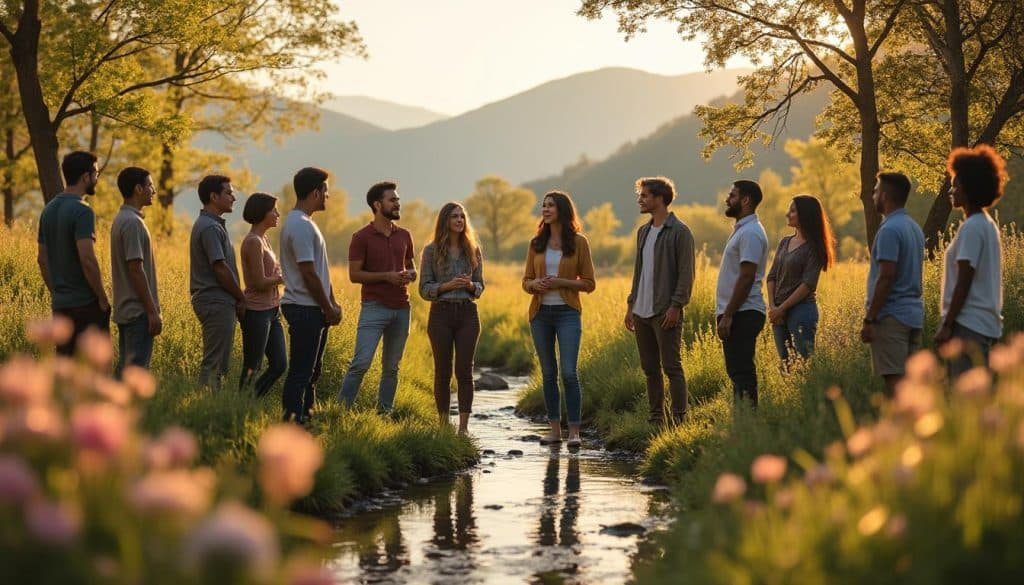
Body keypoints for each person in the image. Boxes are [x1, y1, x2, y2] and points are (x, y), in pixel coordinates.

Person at [522, 191, 596, 447]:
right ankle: (555, 430)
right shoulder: (536, 243)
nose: (545, 209)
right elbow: (525, 281)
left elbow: (589, 284)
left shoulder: (579, 242)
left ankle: (574, 432)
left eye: (550, 205)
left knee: (568, 372)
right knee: (548, 373)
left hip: (568, 313)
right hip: (540, 314)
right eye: (543, 205)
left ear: (562, 210)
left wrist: (560, 282)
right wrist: (536, 285)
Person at [338, 181, 416, 414]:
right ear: (377, 204)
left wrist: (410, 275)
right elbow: (354, 275)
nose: (397, 204)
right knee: (361, 363)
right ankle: (340, 412)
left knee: (392, 368)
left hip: (402, 308)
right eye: (392, 200)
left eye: (398, 200)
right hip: (374, 308)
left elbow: (412, 266)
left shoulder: (405, 235)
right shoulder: (361, 237)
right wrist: (387, 277)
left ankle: (384, 413)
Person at [624, 177, 695, 425]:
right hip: (641, 311)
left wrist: (676, 306)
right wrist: (631, 305)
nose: (640, 200)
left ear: (660, 199)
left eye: (644, 196)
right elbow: (638, 271)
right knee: (650, 369)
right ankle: (655, 418)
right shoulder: (643, 231)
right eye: (640, 195)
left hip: (665, 310)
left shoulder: (680, 232)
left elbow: (687, 273)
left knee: (672, 367)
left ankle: (678, 420)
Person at [935, 146, 1006, 377]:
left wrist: (947, 324)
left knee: (964, 399)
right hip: (983, 324)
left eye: (954, 185)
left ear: (967, 188)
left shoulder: (972, 228)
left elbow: (964, 280)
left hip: (968, 325)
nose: (951, 190)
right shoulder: (987, 224)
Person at [280, 167, 341, 424]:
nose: (327, 196)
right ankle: (293, 423)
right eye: (325, 191)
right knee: (301, 372)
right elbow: (308, 272)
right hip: (305, 307)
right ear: (315, 192)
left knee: (312, 371)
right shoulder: (301, 226)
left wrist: (332, 302)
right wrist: (327, 307)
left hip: (312, 307)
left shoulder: (304, 223)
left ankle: (306, 418)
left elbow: (318, 270)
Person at [419, 202, 485, 434]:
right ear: (445, 220)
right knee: (442, 372)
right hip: (441, 314)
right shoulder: (430, 250)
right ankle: (444, 426)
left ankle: (463, 428)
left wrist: (469, 285)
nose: (459, 220)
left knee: (465, 371)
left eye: (462, 217)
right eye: (454, 216)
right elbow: (424, 289)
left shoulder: (474, 249)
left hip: (467, 313)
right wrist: (447, 286)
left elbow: (480, 287)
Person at [37, 151, 111, 356]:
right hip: (85, 305)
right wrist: (102, 298)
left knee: (65, 370)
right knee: (91, 369)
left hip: (60, 305)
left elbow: (42, 259)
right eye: (95, 173)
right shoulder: (82, 211)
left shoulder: (48, 210)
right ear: (85, 177)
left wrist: (58, 292)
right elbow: (87, 258)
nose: (97, 178)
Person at [859, 172, 925, 396]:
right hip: (914, 316)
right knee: (911, 386)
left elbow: (886, 276)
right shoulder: (914, 228)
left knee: (896, 389)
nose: (873, 195)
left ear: (885, 196)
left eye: (876, 191)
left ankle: (902, 430)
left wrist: (870, 318)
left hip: (891, 318)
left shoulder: (888, 230)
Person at [716, 180, 769, 408]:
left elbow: (747, 276)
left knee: (742, 372)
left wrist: (728, 315)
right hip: (738, 311)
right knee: (736, 371)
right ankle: (743, 423)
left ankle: (747, 424)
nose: (727, 199)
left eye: (732, 195)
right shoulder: (743, 230)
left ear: (745, 200)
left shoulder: (751, 233)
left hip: (743, 312)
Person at [189, 174, 244, 390]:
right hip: (215, 300)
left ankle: (211, 404)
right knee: (214, 364)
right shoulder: (210, 227)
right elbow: (219, 268)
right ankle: (206, 409)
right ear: (214, 196)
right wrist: (241, 297)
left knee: (219, 362)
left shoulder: (213, 225)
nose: (233, 197)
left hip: (218, 301)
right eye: (228, 192)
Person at [765, 195, 835, 366]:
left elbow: (808, 284)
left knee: (803, 366)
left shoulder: (814, 247)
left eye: (793, 210)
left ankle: (808, 394)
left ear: (806, 214)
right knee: (785, 366)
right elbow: (772, 276)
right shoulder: (784, 242)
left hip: (801, 312)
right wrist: (773, 307)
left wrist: (782, 308)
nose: (788, 214)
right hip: (779, 313)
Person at [110, 167, 162, 376]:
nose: (153, 190)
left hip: (129, 311)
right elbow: (135, 268)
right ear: (138, 189)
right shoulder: (132, 223)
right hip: (138, 312)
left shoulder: (123, 219)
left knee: (124, 372)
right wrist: (152, 311)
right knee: (134, 376)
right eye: (150, 185)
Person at [239, 193, 286, 397]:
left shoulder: (264, 239)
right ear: (262, 213)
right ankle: (242, 404)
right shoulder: (253, 242)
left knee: (280, 364)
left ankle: (251, 399)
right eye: (273, 210)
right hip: (256, 311)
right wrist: (284, 278)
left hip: (273, 310)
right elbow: (257, 283)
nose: (277, 213)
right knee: (253, 365)